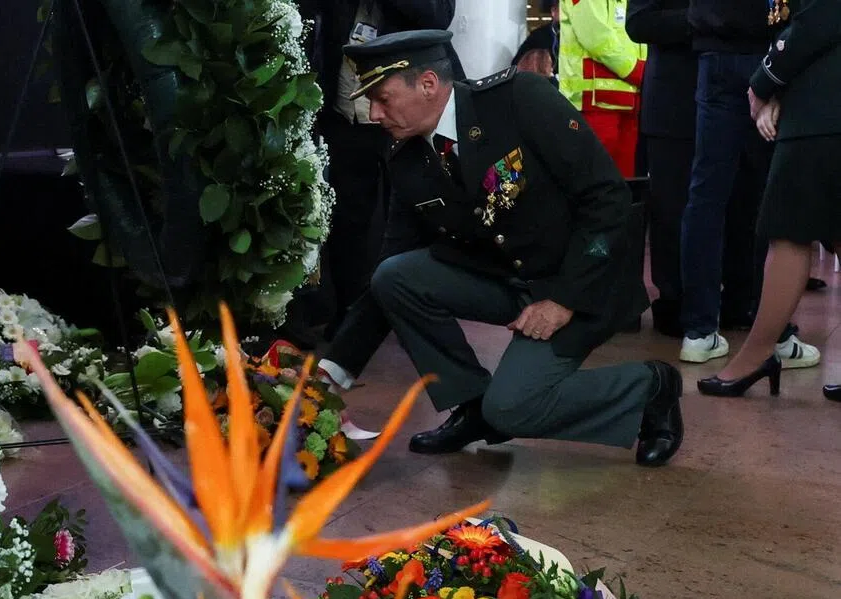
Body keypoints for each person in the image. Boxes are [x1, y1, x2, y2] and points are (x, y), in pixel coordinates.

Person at [317, 29, 684, 467]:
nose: (374, 114)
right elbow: (386, 272)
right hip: (508, 281)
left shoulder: (517, 101)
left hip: (581, 280)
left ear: (429, 84)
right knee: (396, 276)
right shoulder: (407, 158)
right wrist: (331, 371)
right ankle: (472, 406)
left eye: (383, 98)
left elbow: (608, 199)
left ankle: (649, 389)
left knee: (513, 409)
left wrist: (564, 299)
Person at [283, 0, 457, 349]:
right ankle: (349, 319)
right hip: (345, 109)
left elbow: (439, 14)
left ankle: (408, 313)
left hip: (408, 108)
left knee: (416, 216)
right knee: (348, 221)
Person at [697, 0, 841, 398]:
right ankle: (758, 353)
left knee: (787, 230)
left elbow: (821, 18)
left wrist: (764, 82)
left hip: (822, 110)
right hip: (821, 101)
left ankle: (758, 354)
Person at [675, 0, 819, 368]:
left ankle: (698, 331)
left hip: (714, 54)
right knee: (769, 197)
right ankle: (775, 334)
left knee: (705, 196)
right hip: (767, 53)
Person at [558, 0, 647, 177]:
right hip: (594, 102)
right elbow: (595, 36)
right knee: (598, 181)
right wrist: (639, 71)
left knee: (624, 182)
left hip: (629, 99)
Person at [513, 0, 560, 81]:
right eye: (565, 11)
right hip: (544, 85)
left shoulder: (576, 36)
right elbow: (517, 64)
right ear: (553, 11)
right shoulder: (538, 36)